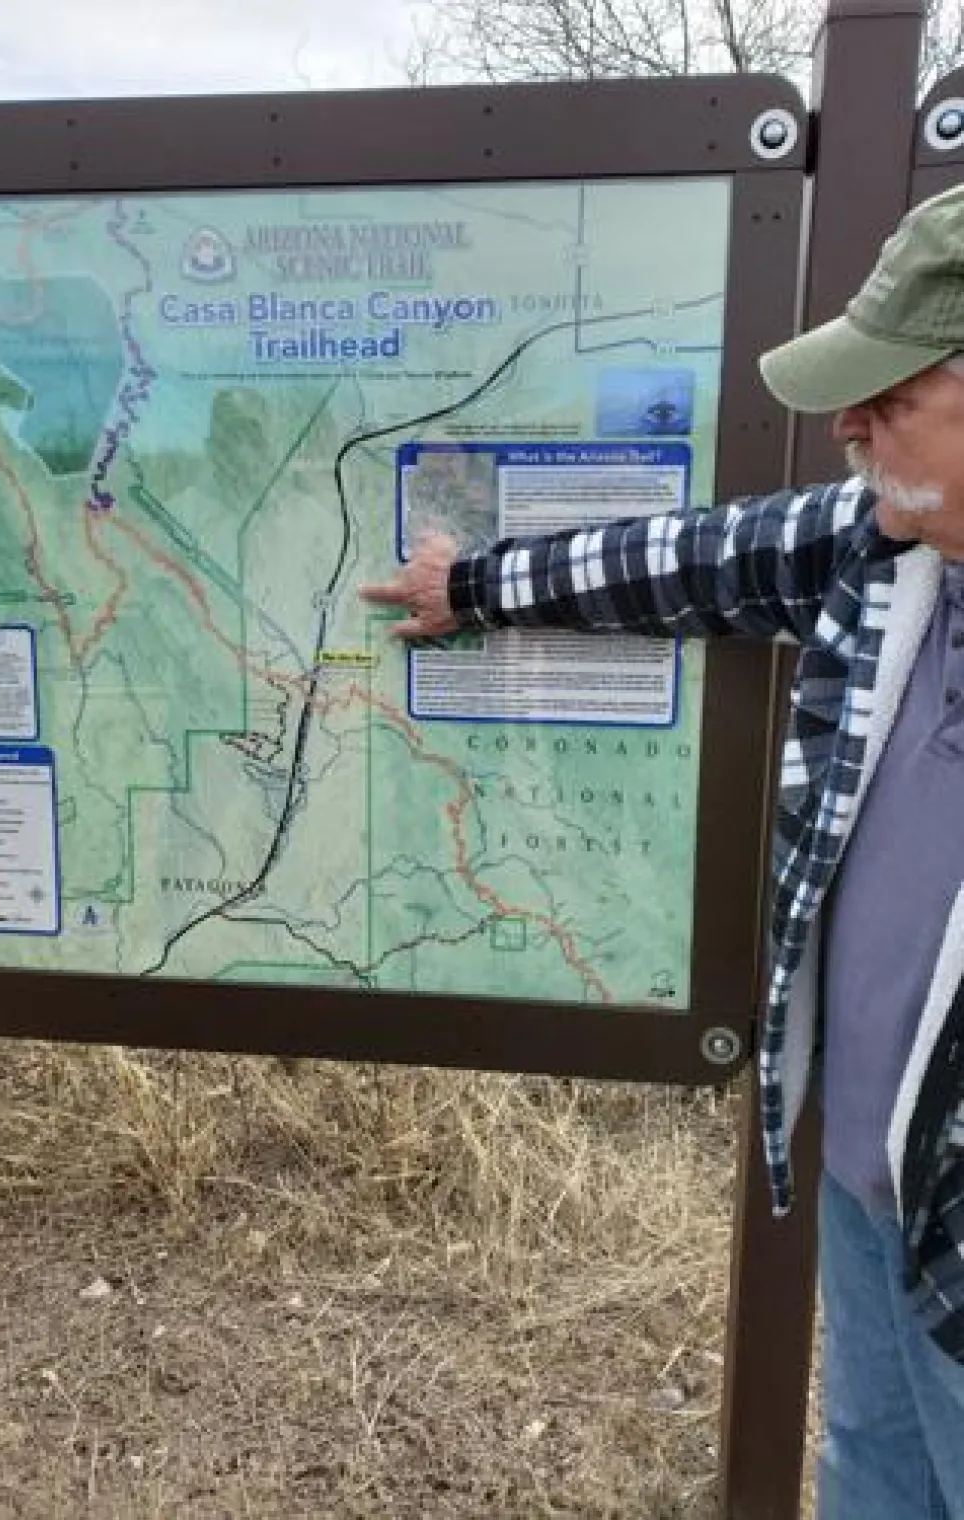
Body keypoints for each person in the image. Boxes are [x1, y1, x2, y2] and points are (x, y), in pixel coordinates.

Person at [361, 184, 964, 1519]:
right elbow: (688, 559)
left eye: (890, 397)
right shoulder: (887, 549)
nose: (847, 424)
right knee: (872, 1469)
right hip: (864, 1177)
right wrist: (471, 586)